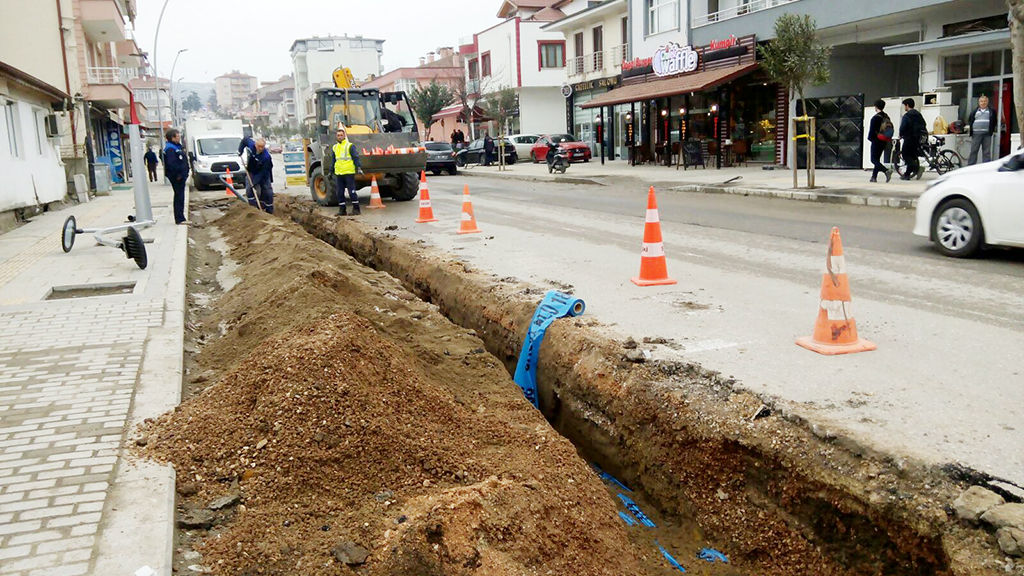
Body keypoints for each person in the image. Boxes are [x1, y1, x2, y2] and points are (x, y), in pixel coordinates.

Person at [332, 126, 363, 216]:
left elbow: (355, 157)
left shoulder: (350, 146)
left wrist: (359, 168)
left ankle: (356, 209)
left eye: (341, 135)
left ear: (344, 135)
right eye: (338, 135)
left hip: (349, 172)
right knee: (340, 192)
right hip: (339, 173)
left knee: (351, 191)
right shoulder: (335, 147)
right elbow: (333, 160)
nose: (340, 137)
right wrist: (331, 171)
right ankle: (342, 210)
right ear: (336, 136)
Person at [163, 129, 190, 225]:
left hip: (181, 176)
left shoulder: (177, 147)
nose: (179, 138)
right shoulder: (170, 149)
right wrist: (178, 175)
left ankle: (181, 217)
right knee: (179, 196)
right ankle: (179, 219)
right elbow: (172, 164)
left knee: (181, 196)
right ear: (172, 137)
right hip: (177, 177)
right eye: (177, 136)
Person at [898, 98, 926, 180]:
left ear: (907, 105)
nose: (904, 108)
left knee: (905, 154)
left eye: (904, 106)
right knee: (913, 155)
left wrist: (901, 134)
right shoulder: (918, 114)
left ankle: (914, 169)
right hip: (918, 138)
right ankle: (910, 172)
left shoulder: (907, 116)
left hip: (909, 137)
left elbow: (903, 127)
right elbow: (924, 124)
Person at [867, 100, 893, 183]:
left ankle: (886, 171)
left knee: (873, 159)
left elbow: (872, 131)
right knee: (877, 159)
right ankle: (873, 177)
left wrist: (871, 139)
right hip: (885, 140)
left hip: (877, 140)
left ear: (876, 107)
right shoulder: (886, 117)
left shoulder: (875, 118)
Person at [246, 138, 274, 214]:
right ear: (255, 145)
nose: (260, 148)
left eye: (262, 147)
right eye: (259, 146)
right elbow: (244, 140)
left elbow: (263, 172)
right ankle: (253, 208)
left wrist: (255, 182)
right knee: (249, 189)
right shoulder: (251, 146)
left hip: (264, 173)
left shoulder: (266, 157)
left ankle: (269, 209)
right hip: (252, 171)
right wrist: (240, 151)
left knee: (267, 191)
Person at [967, 94, 996, 165]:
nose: (983, 103)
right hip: (976, 133)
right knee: (974, 150)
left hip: (987, 134)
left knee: (986, 152)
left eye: (985, 101)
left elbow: (994, 121)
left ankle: (986, 166)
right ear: (979, 102)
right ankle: (970, 166)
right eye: (981, 101)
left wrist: (991, 131)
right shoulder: (974, 111)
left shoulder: (991, 111)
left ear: (987, 102)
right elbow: (970, 120)